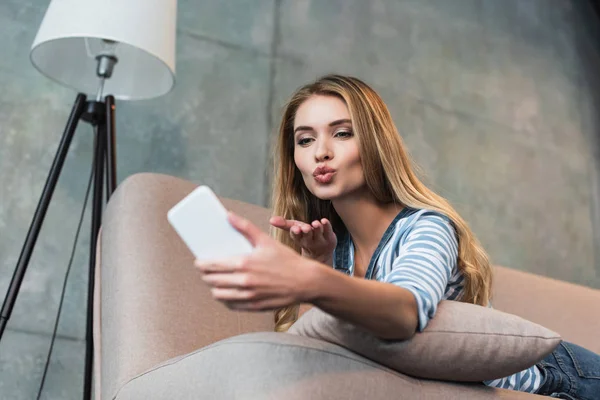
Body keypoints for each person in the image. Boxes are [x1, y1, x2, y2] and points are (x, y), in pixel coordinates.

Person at [195, 74, 600, 399]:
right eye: (305, 140)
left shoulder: (427, 226)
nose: (320, 152)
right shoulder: (333, 248)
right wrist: (315, 266)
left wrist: (309, 280)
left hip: (565, 380)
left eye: (342, 133)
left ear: (374, 143)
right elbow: (308, 354)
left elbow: (407, 312)